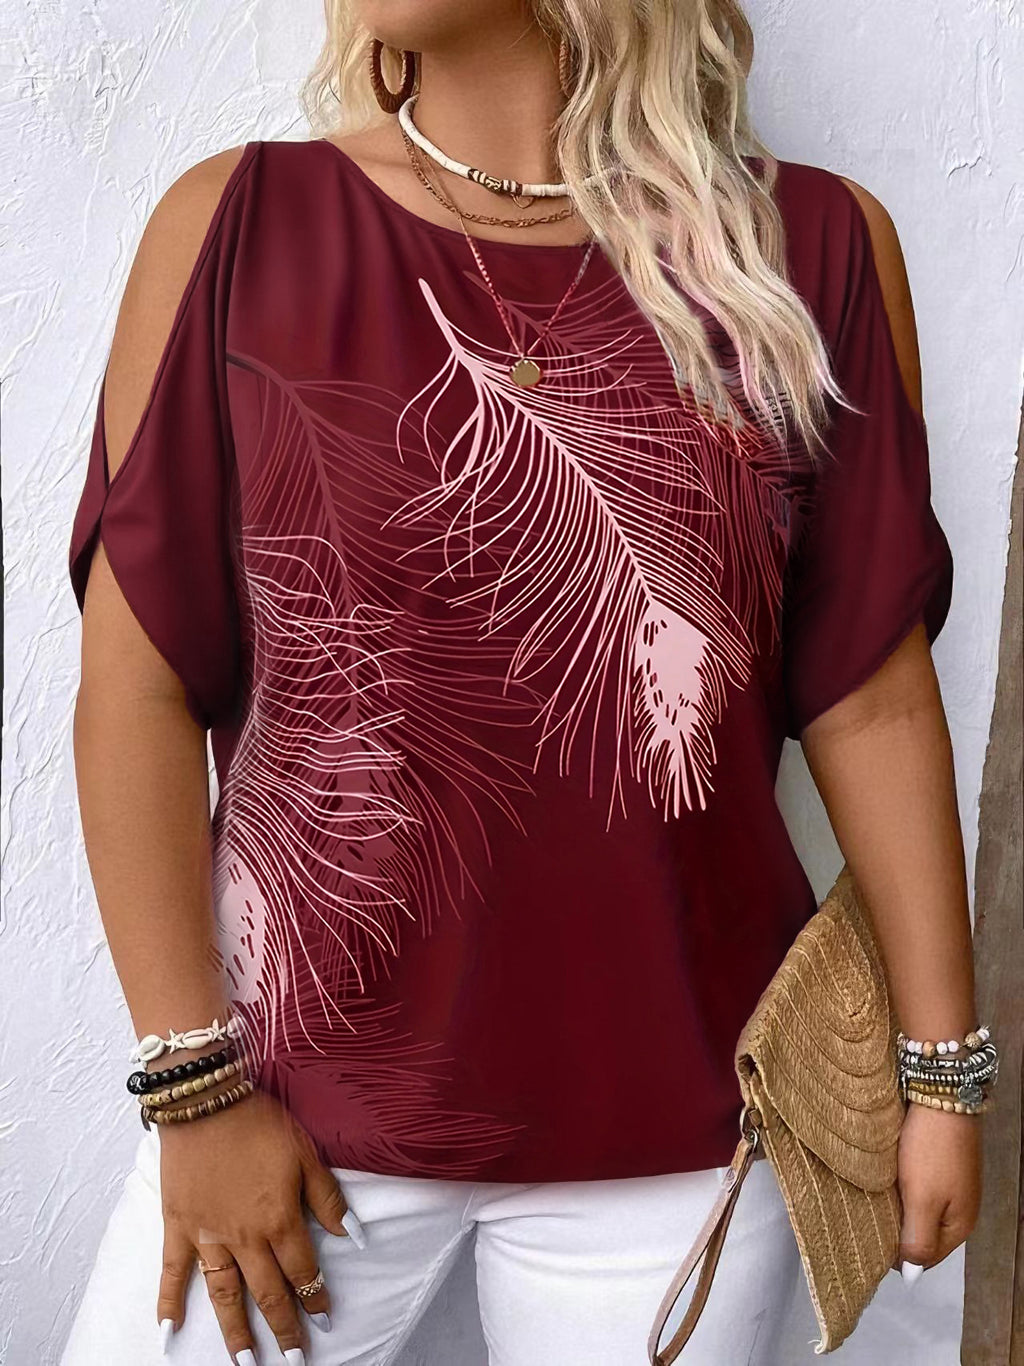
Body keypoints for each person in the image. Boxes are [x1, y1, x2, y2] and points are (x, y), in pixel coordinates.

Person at [60, 2, 986, 1364]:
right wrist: (194, 1091)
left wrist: (944, 1072)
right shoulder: (238, 228)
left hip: (682, 1132)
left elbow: (870, 692)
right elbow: (135, 688)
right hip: (290, 1117)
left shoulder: (811, 248)